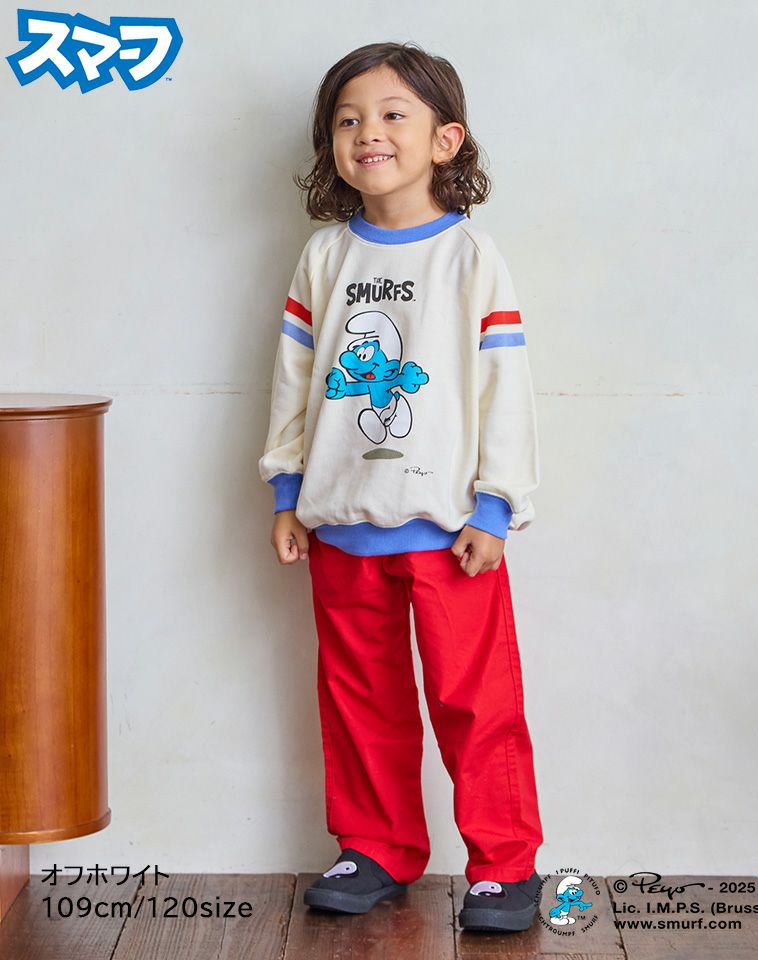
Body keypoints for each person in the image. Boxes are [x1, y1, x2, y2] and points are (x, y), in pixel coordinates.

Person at [258, 40, 545, 933]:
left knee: (476, 702)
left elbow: (504, 386)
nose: (368, 133)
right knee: (360, 703)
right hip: (339, 525)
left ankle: (506, 865)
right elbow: (294, 381)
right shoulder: (323, 258)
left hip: (451, 530)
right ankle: (377, 847)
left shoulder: (470, 257)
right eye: (347, 120)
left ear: (445, 140)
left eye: (392, 115)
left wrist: (497, 503)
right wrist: (286, 491)